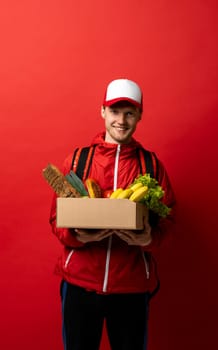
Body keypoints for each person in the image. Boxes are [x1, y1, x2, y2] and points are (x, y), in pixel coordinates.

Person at [49, 78, 176, 350]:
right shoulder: (76, 161)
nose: (122, 120)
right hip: (80, 285)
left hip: (131, 288)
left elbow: (168, 222)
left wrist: (149, 239)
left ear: (140, 115)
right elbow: (56, 218)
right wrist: (76, 235)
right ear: (102, 112)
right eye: (115, 111)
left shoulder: (152, 165)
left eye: (130, 113)